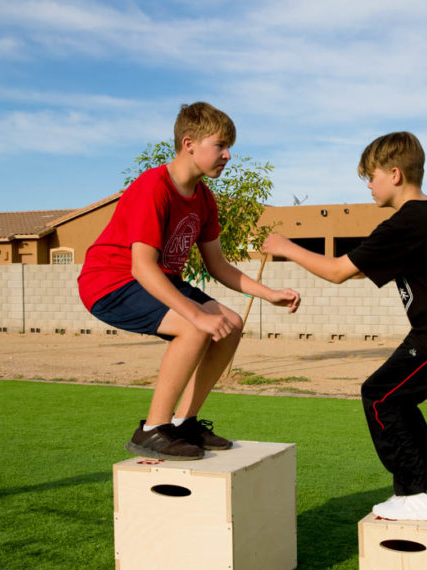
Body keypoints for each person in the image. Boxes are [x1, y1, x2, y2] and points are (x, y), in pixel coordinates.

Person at [261, 131, 427, 521]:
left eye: (370, 177)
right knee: (398, 398)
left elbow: (339, 271)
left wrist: (286, 247)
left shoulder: (409, 222)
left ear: (394, 174)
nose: (368, 186)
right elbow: (357, 270)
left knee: (380, 395)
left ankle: (415, 493)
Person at [79, 102, 300, 460]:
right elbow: (141, 268)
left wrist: (267, 294)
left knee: (231, 323)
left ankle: (185, 422)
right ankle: (152, 429)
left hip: (156, 278)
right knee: (196, 328)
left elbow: (219, 265)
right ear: (189, 143)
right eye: (221, 145)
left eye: (231, 147)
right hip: (110, 283)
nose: (228, 155)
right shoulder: (153, 187)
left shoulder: (204, 198)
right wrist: (196, 317)